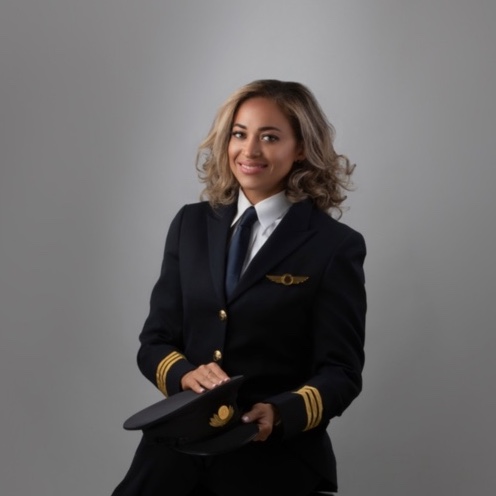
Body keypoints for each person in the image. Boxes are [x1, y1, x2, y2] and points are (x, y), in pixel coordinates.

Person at [111, 79, 367, 496]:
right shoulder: (190, 225)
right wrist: (186, 375)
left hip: (272, 460)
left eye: (270, 137)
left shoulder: (334, 246)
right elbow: (155, 341)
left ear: (301, 148)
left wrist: (280, 413)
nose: (249, 151)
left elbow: (342, 372)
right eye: (239, 134)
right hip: (175, 451)